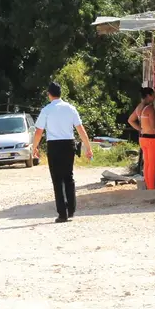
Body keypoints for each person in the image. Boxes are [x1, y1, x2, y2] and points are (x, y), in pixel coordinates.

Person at [32, 82, 93, 223]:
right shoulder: (70, 108)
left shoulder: (46, 110)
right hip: (69, 144)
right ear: (60, 93)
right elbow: (80, 129)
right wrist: (88, 147)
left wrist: (34, 147)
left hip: (54, 145)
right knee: (69, 176)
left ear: (49, 94)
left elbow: (39, 131)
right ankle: (71, 209)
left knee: (57, 180)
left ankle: (62, 214)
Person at [128, 87, 155, 190]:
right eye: (153, 94)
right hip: (152, 139)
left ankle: (148, 187)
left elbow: (130, 120)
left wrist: (140, 129)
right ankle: (151, 188)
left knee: (146, 164)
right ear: (149, 95)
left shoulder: (139, 108)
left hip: (143, 139)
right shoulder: (149, 108)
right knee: (152, 165)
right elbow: (154, 127)